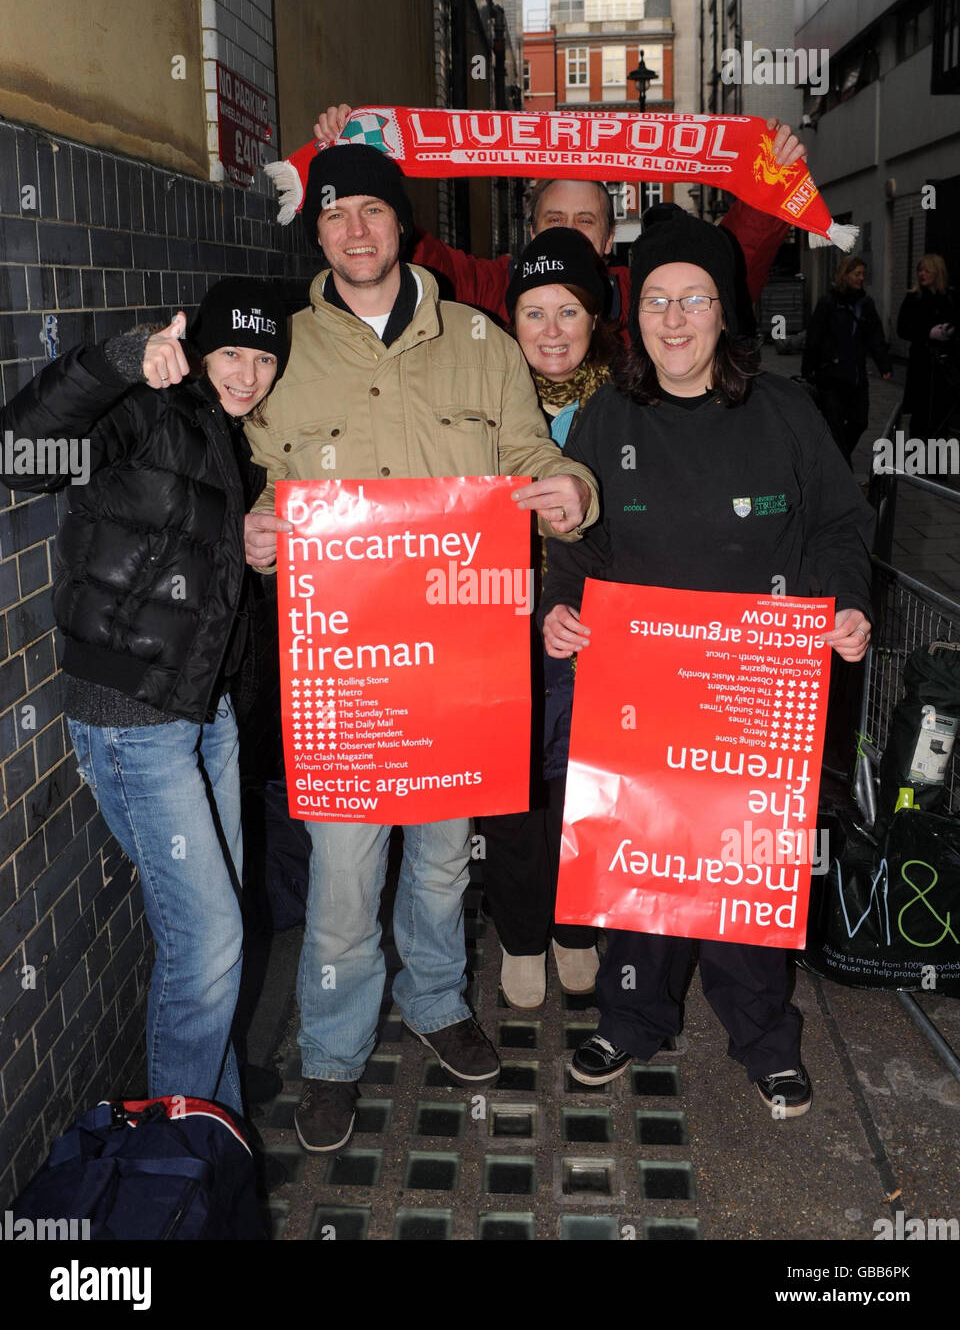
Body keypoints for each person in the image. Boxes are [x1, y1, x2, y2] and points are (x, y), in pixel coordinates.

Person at [242, 144, 600, 1155]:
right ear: (315, 231)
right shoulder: (286, 349)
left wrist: (569, 490)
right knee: (346, 879)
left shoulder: (483, 344)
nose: (354, 230)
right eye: (334, 214)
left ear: (404, 225)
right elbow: (266, 475)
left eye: (372, 211)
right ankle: (332, 1055)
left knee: (443, 863)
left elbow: (532, 454)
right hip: (348, 675)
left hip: (458, 669)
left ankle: (438, 999)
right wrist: (257, 532)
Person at [540, 204, 875, 1117]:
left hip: (752, 687)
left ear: (725, 310)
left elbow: (844, 528)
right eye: (656, 301)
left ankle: (764, 1038)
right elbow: (573, 542)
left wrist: (845, 605)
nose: (675, 320)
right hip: (637, 687)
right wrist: (557, 612)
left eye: (694, 300)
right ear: (635, 317)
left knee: (743, 872)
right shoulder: (608, 416)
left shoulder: (785, 413)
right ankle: (633, 1019)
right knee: (642, 869)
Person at [0, 278, 290, 1112]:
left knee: (214, 933)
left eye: (265, 357)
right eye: (232, 350)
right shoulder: (147, 404)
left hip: (206, 712)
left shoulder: (222, 433)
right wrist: (117, 361)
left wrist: (247, 547)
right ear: (196, 344)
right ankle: (180, 1146)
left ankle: (215, 1110)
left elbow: (180, 548)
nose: (247, 372)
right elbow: (20, 456)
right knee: (209, 941)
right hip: (135, 721)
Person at [313, 105, 809, 338]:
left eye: (585, 221)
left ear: (611, 236)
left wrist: (772, 184)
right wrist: (357, 164)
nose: (569, 233)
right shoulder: (491, 288)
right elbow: (415, 253)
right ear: (531, 233)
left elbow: (727, 265)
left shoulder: (645, 297)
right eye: (555, 219)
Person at [478, 227, 619, 1009]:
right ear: (512, 321)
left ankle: (575, 925)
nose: (552, 330)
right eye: (534, 312)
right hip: (495, 616)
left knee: (579, 784)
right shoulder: (483, 394)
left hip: (593, 625)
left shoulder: (627, 398)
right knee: (508, 788)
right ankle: (522, 937)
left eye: (569, 310)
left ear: (594, 319)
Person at [802, 255, 893, 465]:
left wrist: (884, 364)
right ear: (845, 275)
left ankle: (836, 462)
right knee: (834, 424)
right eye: (857, 274)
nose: (861, 278)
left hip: (856, 376)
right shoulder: (829, 303)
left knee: (859, 422)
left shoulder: (865, 304)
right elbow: (814, 338)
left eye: (863, 274)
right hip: (831, 376)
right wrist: (808, 372)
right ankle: (844, 473)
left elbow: (875, 335)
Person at [896, 253, 958, 443]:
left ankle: (936, 468)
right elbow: (903, 328)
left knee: (941, 419)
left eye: (926, 270)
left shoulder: (950, 297)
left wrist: (950, 331)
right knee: (920, 416)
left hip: (944, 366)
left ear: (936, 272)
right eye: (919, 270)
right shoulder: (914, 298)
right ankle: (918, 464)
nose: (922, 274)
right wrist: (928, 332)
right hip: (921, 364)